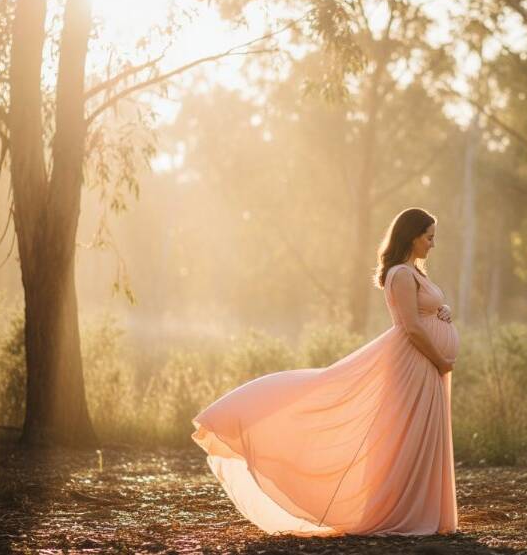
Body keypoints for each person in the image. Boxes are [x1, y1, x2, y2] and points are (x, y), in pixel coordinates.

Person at [191, 207, 459, 536]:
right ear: (412, 236)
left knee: (417, 437)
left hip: (423, 365)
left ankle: (418, 508)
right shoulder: (401, 274)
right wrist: (440, 360)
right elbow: (412, 328)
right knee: (405, 436)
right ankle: (398, 509)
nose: (433, 244)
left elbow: (424, 311)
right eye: (429, 237)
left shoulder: (414, 272)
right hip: (414, 364)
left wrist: (442, 311)